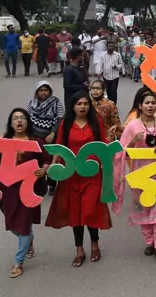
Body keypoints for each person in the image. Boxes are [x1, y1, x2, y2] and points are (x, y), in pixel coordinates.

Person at [45, 91, 111, 267]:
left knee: (90, 209)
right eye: (79, 104)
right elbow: (59, 148)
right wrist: (53, 166)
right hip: (71, 175)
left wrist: (108, 169)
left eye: (85, 104)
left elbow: (103, 145)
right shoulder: (65, 124)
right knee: (75, 212)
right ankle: (79, 249)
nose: (82, 107)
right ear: (73, 106)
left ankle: (95, 244)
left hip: (92, 173)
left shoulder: (95, 123)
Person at [115, 90, 156, 263]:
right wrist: (133, 141)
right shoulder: (132, 126)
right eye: (147, 103)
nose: (150, 106)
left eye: (153, 103)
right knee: (145, 206)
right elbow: (122, 151)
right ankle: (149, 241)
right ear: (140, 106)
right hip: (140, 173)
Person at [0, 109, 51, 278]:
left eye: (22, 118)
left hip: (28, 190)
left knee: (23, 225)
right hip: (7, 190)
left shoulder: (36, 141)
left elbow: (46, 160)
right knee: (12, 223)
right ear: (11, 123)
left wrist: (43, 170)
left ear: (27, 122)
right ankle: (28, 239)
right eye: (15, 118)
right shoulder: (4, 142)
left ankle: (18, 261)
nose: (19, 121)